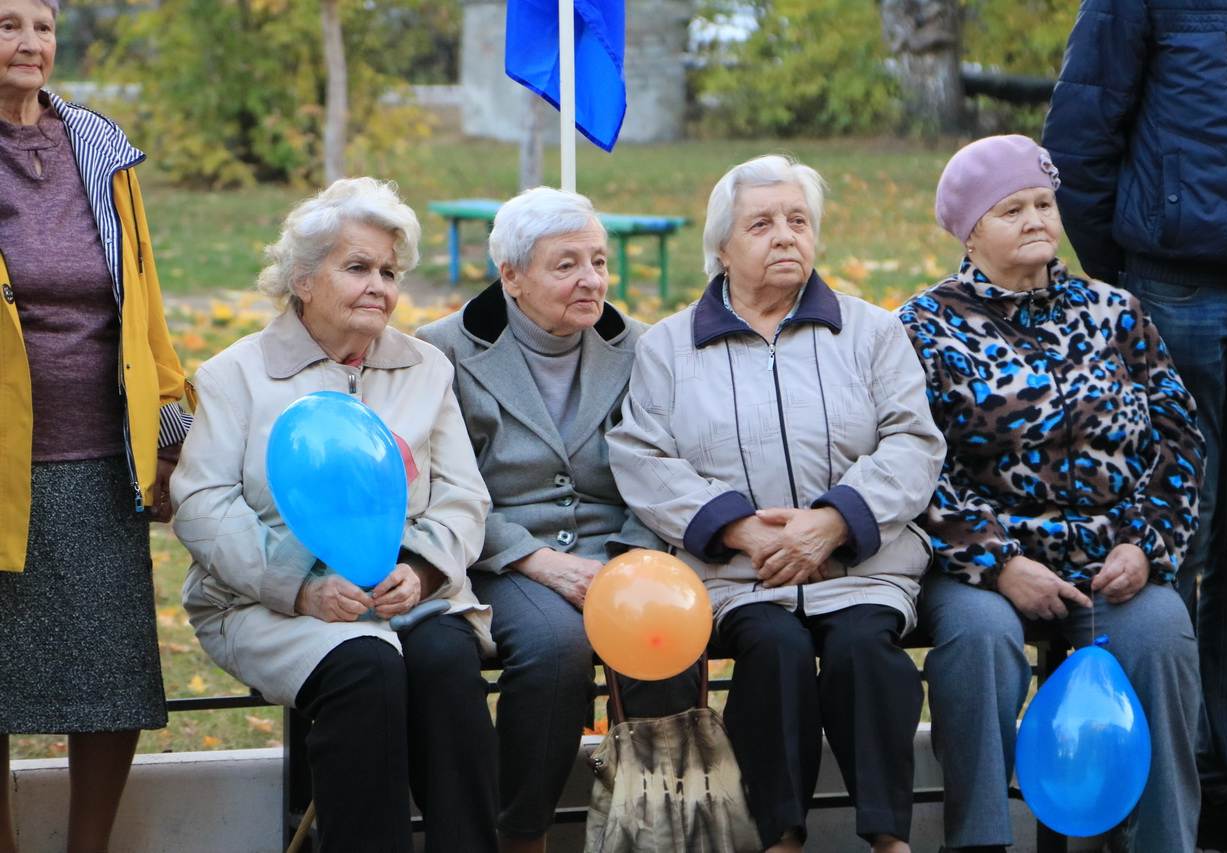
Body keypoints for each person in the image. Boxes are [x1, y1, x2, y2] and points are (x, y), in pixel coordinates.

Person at [607, 154, 946, 853]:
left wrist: (833, 522)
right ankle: (781, 836)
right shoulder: (670, 346)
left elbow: (913, 441)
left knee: (864, 652)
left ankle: (890, 838)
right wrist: (738, 530)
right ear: (722, 249)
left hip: (860, 566)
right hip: (740, 578)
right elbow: (642, 455)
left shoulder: (871, 330)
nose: (785, 236)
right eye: (761, 224)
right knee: (776, 652)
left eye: (799, 221)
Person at [896, 134, 1204, 853]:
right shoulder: (924, 326)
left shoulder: (1114, 311)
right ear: (970, 233)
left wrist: (1145, 546)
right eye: (1012, 209)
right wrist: (1000, 563)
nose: (1036, 218)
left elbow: (1180, 440)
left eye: (1043, 202)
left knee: (1159, 633)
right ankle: (980, 840)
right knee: (981, 638)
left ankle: (1165, 842)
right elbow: (912, 465)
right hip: (981, 565)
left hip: (1110, 560)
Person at [171, 178, 498, 853]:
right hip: (263, 603)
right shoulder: (237, 375)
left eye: (388, 270)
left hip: (401, 596)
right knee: (365, 668)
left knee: (446, 665)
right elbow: (201, 504)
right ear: (303, 279)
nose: (379, 284)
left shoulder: (425, 368)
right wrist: (303, 585)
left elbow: (464, 496)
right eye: (357, 267)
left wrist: (421, 571)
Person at [1043, 5, 1227, 847]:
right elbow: (1078, 134)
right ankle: (1159, 780)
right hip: (1176, 287)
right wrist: (1132, 269)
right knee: (1175, 534)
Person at [417, 186, 697, 853]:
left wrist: (628, 552)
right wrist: (530, 558)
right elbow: (437, 488)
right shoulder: (443, 352)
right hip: (504, 553)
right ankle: (523, 831)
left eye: (598, 261)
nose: (592, 279)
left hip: (623, 546)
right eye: (566, 263)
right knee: (556, 648)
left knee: (667, 640)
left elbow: (666, 468)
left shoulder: (641, 349)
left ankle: (659, 831)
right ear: (512, 275)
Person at [0, 1, 190, 849]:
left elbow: (141, 294)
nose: (29, 43)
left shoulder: (98, 148)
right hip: (5, 463)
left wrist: (172, 430)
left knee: (109, 678)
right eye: (6, 24)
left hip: (100, 457)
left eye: (40, 26)